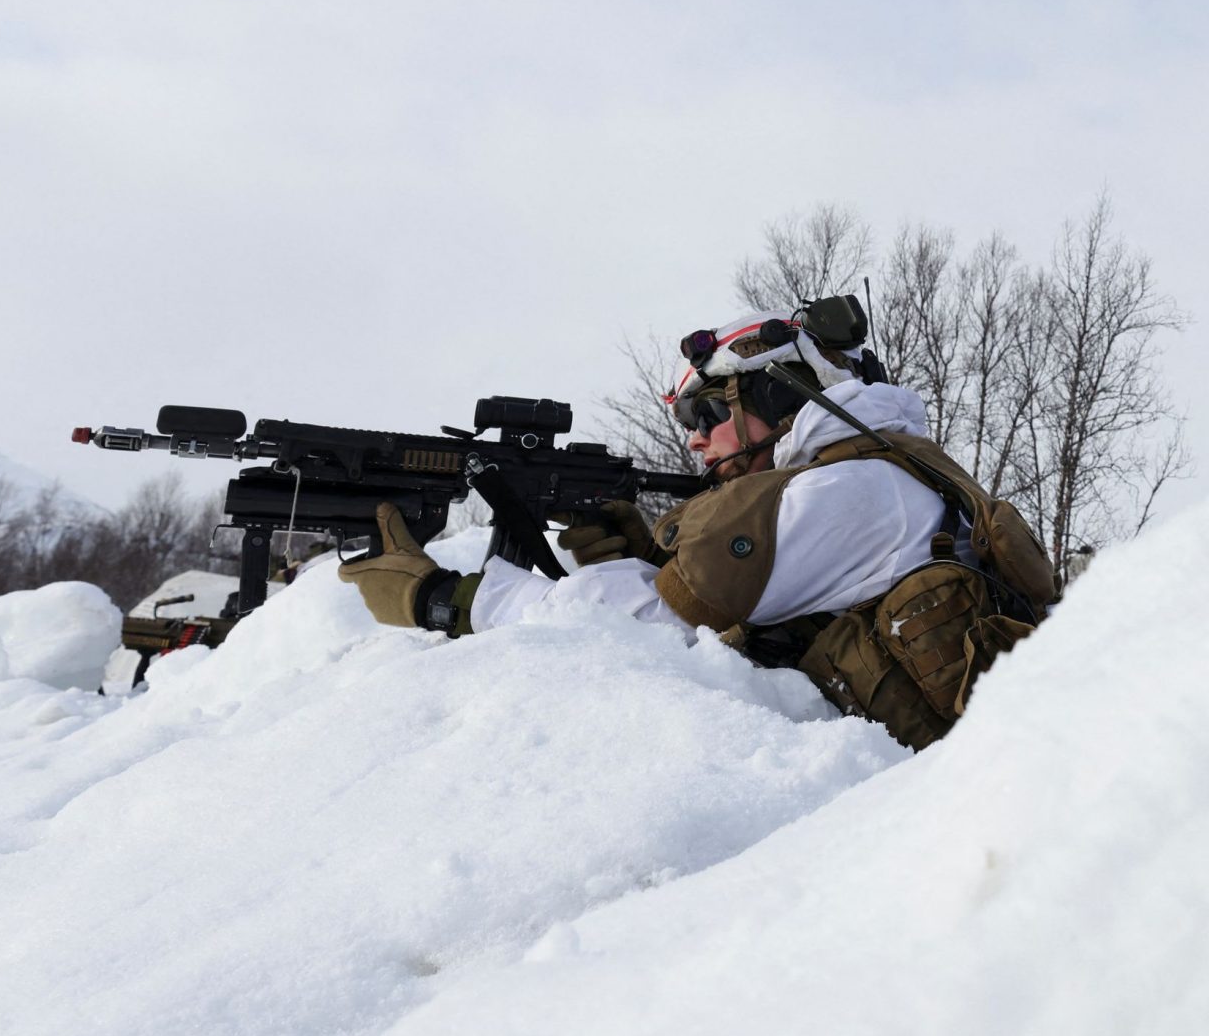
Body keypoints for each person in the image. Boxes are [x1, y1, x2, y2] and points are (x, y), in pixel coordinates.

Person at [341, 299, 1058, 747]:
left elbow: (639, 629)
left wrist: (447, 600)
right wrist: (657, 557)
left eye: (708, 413)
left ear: (783, 394)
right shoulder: (896, 470)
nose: (695, 437)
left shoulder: (844, 490)